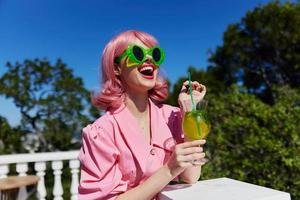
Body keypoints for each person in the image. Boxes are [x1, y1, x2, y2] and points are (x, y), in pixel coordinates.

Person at [78, 30, 207, 200]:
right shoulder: (102, 132)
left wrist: (189, 110)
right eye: (138, 53)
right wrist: (169, 169)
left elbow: (190, 176)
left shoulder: (173, 117)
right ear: (117, 68)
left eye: (155, 54)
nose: (149, 60)